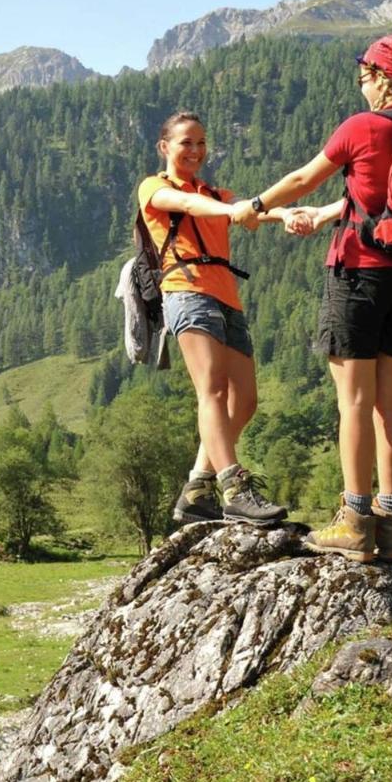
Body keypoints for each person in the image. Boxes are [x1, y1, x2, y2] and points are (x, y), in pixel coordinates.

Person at [233, 34, 392, 562]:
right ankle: (391, 527)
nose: (361, 81)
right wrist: (324, 215)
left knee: (354, 402)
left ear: (382, 77)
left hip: (357, 276)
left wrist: (254, 206)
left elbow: (303, 177)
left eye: (365, 73)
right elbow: (374, 197)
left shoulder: (360, 126)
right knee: (390, 402)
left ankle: (354, 519)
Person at [139, 111, 287, 527]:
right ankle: (234, 487)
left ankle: (197, 487)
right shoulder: (155, 187)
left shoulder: (216, 193)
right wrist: (236, 209)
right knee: (214, 390)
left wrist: (294, 214)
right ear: (165, 147)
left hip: (226, 297)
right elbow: (188, 205)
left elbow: (254, 211)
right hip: (186, 292)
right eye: (187, 142)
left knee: (246, 399)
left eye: (202, 143)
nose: (196, 151)